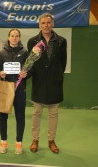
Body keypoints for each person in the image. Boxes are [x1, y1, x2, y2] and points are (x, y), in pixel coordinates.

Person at [27, 13, 67, 154]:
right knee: (37, 112)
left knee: (53, 113)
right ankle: (35, 140)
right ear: (39, 25)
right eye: (43, 23)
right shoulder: (33, 41)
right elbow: (30, 62)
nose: (46, 25)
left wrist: (55, 76)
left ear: (53, 24)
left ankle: (51, 140)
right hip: (39, 83)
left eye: (48, 22)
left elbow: (63, 63)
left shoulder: (62, 41)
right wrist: (26, 74)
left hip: (54, 83)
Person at [0, 29, 29, 155]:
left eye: (17, 36)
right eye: (12, 36)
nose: (14, 38)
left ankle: (19, 143)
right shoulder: (2, 53)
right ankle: (3, 142)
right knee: (3, 116)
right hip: (5, 90)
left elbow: (30, 69)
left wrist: (26, 74)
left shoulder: (25, 52)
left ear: (19, 38)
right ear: (8, 38)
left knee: (20, 117)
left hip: (19, 89)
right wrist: (0, 73)